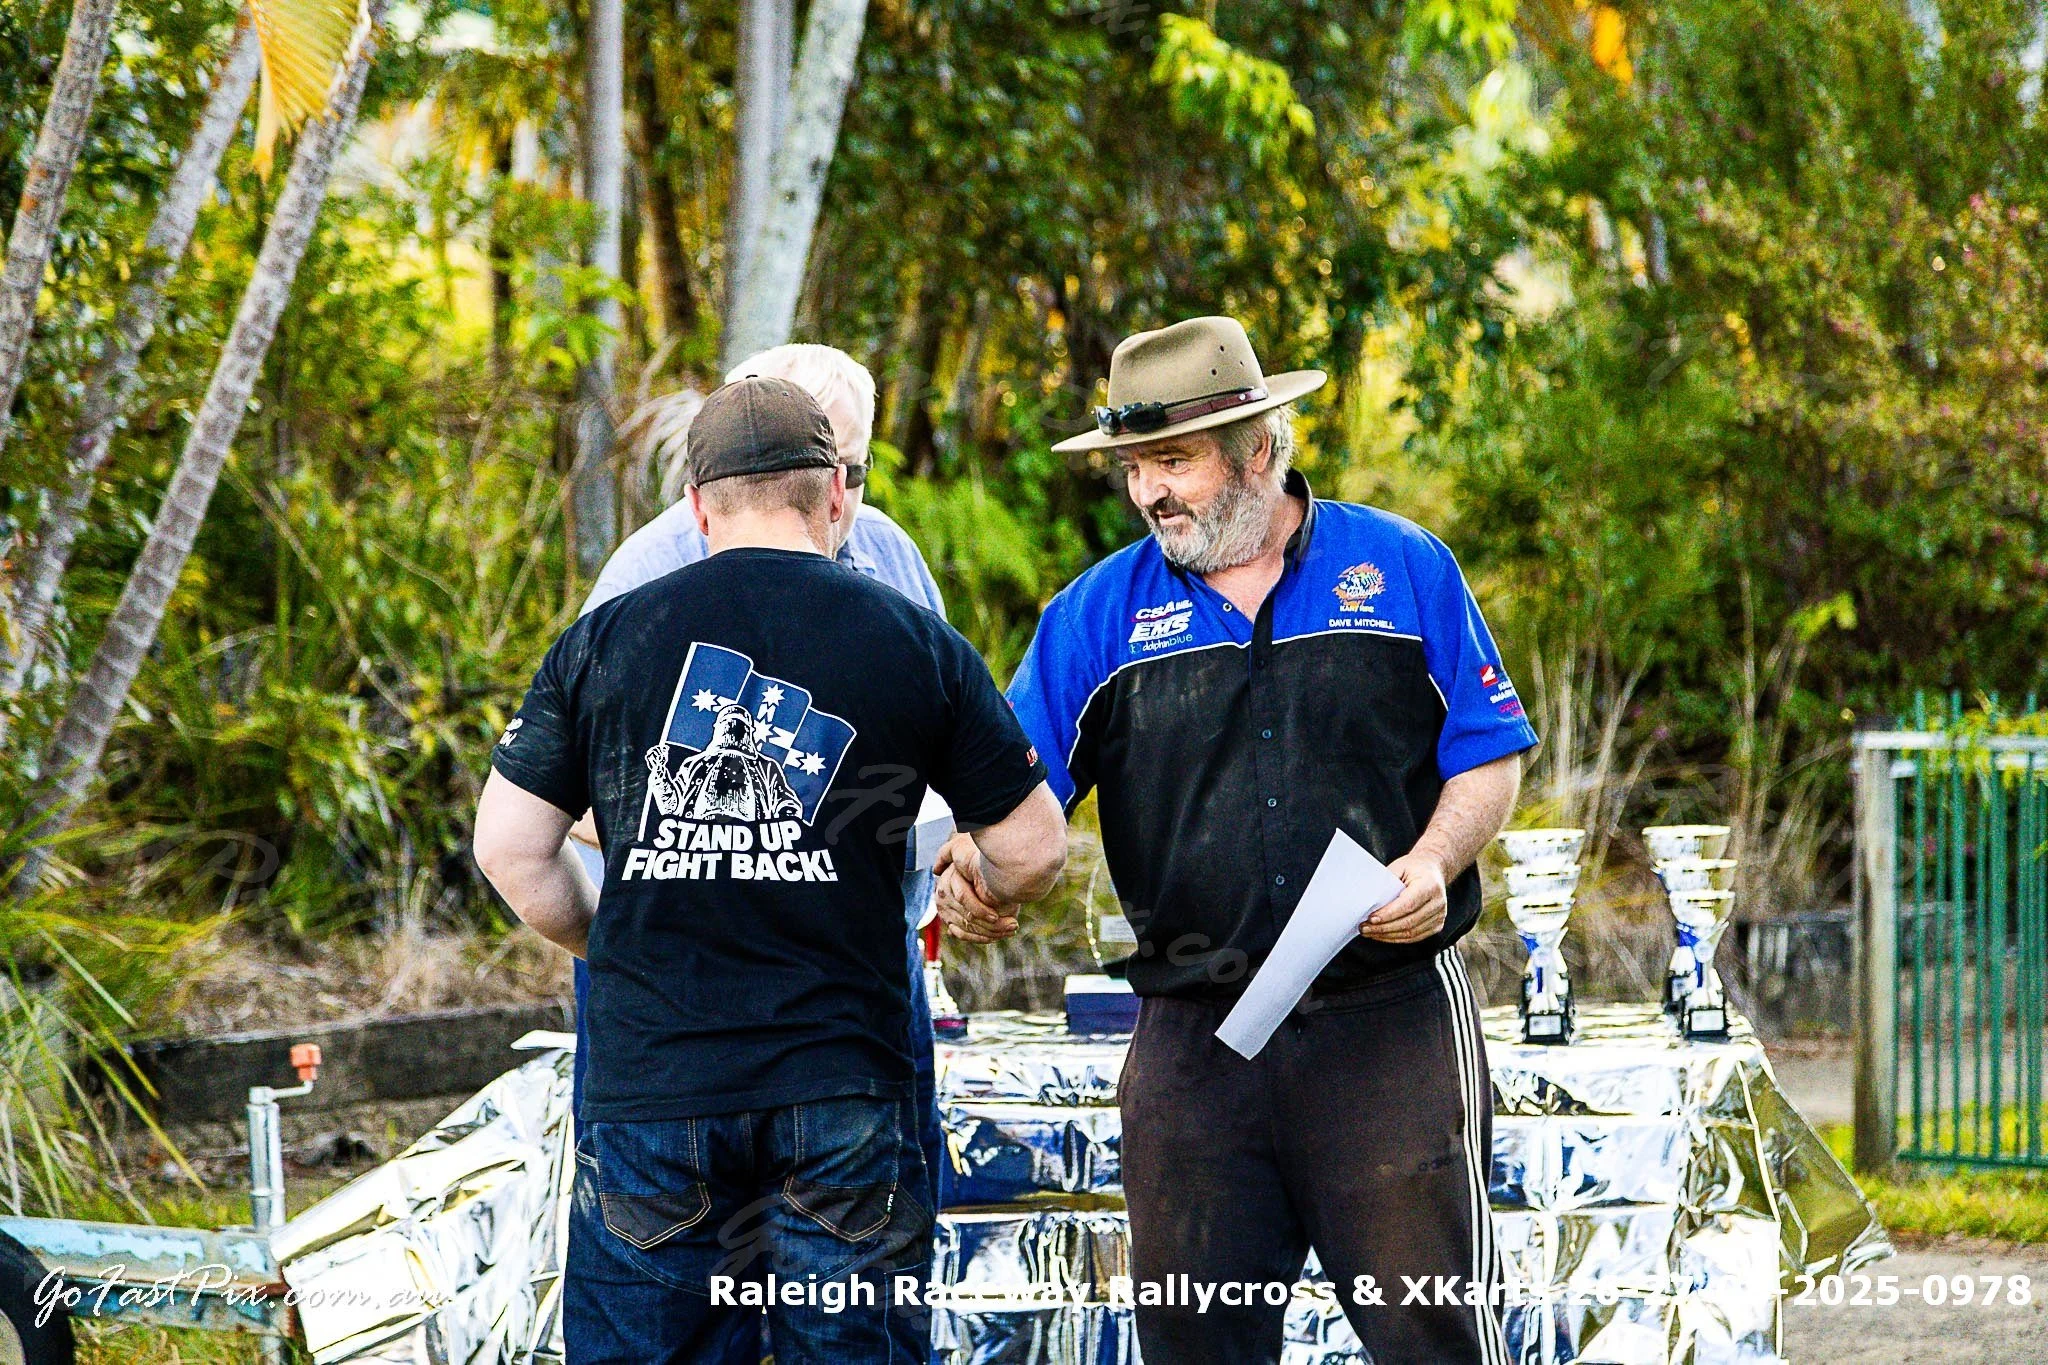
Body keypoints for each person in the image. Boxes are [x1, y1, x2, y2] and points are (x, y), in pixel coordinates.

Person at [936, 316, 1538, 1364]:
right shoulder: (1090, 619)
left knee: (1430, 1338)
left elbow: (1487, 749)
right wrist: (975, 875)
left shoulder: (1400, 567)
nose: (1147, 493)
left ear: (1258, 448)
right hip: (1192, 1042)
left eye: (1172, 462)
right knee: (1193, 1348)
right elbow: (1014, 805)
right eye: (1132, 468)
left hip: (1386, 1021)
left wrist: (1434, 861)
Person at [475, 376, 1066, 1363]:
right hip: (842, 1085)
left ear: (699, 505)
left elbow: (508, 847)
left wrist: (611, 940)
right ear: (835, 493)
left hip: (654, 1085)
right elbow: (1033, 844)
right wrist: (980, 886)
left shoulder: (605, 639)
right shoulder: (914, 638)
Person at [567, 345, 955, 1248]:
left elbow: (955, 751)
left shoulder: (889, 554)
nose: (839, 499)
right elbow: (574, 796)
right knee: (679, 1279)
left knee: (861, 1276)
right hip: (688, 986)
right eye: (819, 471)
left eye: (854, 471)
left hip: (861, 974)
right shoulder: (648, 572)